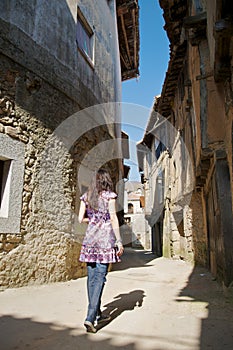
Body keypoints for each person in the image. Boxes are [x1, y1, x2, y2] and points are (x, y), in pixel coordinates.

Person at [78, 168, 124, 333]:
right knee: (100, 278)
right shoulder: (109, 196)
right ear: (106, 180)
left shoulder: (87, 196)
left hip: (90, 241)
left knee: (91, 279)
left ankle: (97, 314)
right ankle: (90, 317)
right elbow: (113, 218)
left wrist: (92, 220)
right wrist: (119, 241)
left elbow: (80, 218)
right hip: (104, 242)